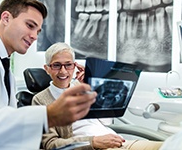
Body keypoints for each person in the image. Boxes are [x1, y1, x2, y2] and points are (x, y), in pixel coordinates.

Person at [0, 0, 97, 149]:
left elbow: (6, 132)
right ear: (6, 18)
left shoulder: (7, 72)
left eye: (38, 31)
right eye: (30, 25)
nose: (34, 36)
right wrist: (48, 116)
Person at [32, 42, 163, 150]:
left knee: (171, 146)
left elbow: (107, 121)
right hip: (94, 147)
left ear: (74, 66)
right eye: (56, 65)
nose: (63, 71)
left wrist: (92, 88)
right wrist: (93, 142)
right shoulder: (40, 100)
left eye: (68, 65)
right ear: (47, 68)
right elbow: (51, 145)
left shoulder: (81, 87)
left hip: (117, 141)